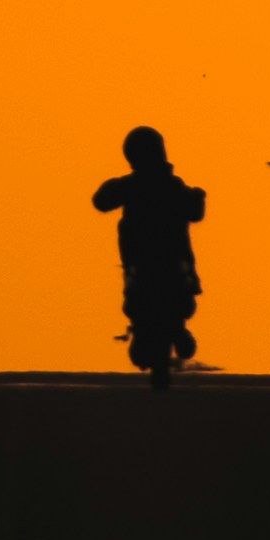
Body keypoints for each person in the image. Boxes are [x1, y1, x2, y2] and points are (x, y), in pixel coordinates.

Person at [92, 126, 205, 379]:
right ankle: (170, 330)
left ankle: (175, 329)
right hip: (147, 266)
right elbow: (101, 201)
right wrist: (197, 196)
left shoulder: (140, 186)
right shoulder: (166, 186)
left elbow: (195, 211)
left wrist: (197, 197)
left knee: (173, 295)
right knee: (141, 300)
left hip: (158, 265)